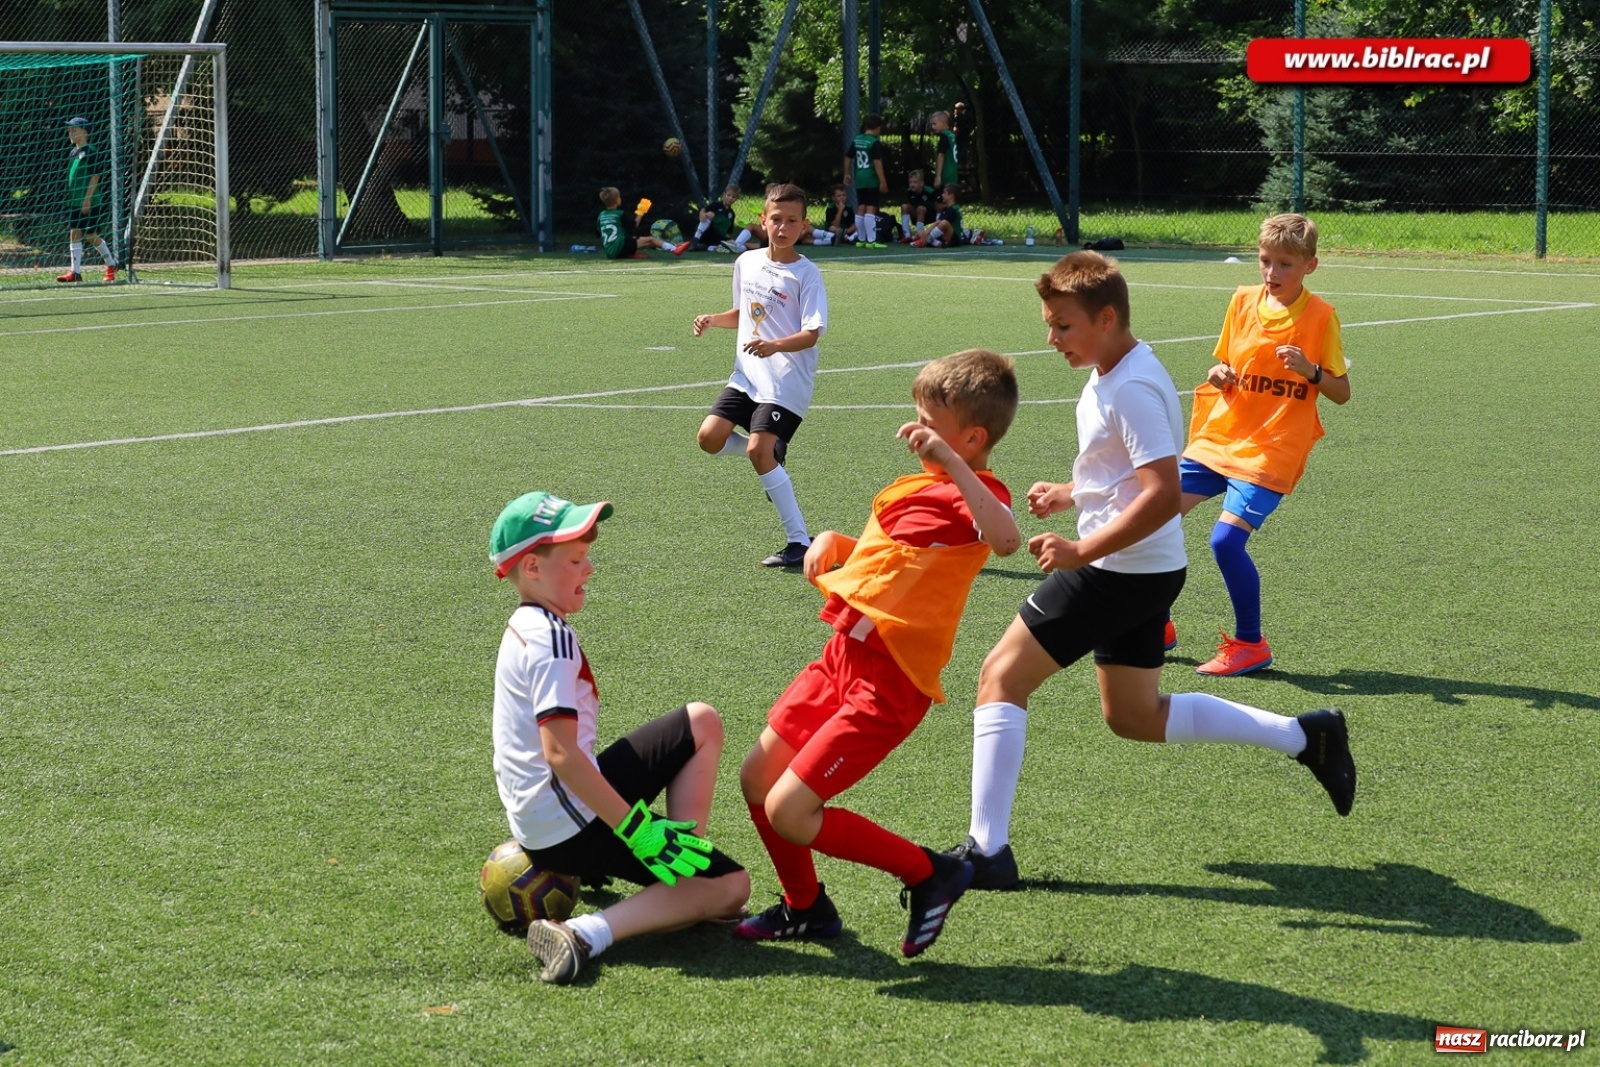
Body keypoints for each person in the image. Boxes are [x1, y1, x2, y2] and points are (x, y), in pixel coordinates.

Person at [945, 251, 1356, 892]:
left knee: (1000, 676)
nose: (1051, 339)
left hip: (1118, 569)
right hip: (1146, 569)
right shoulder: (1113, 369)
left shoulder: (1132, 385)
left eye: (1063, 326)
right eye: (1050, 324)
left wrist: (1081, 550)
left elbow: (1163, 494)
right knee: (1133, 716)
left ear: (1106, 318)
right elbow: (1126, 473)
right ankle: (1305, 736)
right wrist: (1072, 493)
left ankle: (987, 850)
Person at [734, 349, 1022, 957]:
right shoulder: (920, 485)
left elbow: (1005, 538)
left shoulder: (977, 492)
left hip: (889, 682)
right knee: (757, 777)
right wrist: (836, 543)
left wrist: (953, 464)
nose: (915, 431)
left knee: (790, 810)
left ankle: (931, 874)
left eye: (930, 424)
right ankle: (806, 908)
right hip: (840, 657)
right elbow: (891, 557)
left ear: (971, 439)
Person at [489, 491, 751, 984]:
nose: (589, 568)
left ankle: (677, 880)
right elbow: (560, 754)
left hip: (550, 810)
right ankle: (583, 934)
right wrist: (636, 830)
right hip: (567, 823)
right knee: (733, 887)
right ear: (533, 567)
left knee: (701, 722)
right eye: (575, 559)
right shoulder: (550, 638)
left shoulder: (528, 622)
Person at [1170, 212, 1352, 675]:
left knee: (1226, 541)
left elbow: (1341, 392)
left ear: (1310, 266)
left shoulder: (1321, 317)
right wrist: (1218, 373)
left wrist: (1311, 371)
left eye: (1285, 264)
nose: (1272, 272)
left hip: (1272, 449)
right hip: (1221, 437)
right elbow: (1223, 363)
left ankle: (1250, 643)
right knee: (1154, 516)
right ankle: (1157, 623)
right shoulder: (1241, 301)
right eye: (1266, 261)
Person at [692, 183, 828, 569]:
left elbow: (812, 333)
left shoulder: (806, 274)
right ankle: (773, 452)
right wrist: (712, 319)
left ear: (804, 226)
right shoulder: (746, 262)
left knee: (756, 450)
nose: (783, 228)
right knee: (709, 438)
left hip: (785, 381)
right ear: (762, 220)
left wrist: (774, 345)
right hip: (747, 374)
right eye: (776, 219)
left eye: (792, 221)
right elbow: (743, 313)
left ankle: (798, 541)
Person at [57, 117, 119, 284]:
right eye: (69, 130)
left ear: (85, 132)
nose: (70, 133)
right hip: (74, 201)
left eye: (74, 129)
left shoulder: (91, 151)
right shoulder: (73, 153)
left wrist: (87, 199)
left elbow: (95, 176)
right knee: (74, 233)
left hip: (90, 201)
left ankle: (111, 265)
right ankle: (75, 272)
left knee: (91, 236)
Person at [596, 187, 689, 259]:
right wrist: (641, 212)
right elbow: (635, 225)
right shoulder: (620, 214)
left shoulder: (601, 215)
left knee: (633, 239)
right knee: (650, 240)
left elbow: (598, 233)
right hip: (620, 247)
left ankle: (630, 254)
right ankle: (675, 249)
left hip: (609, 252)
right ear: (617, 200)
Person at [844, 113, 889, 247]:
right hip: (871, 178)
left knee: (861, 207)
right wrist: (882, 181)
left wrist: (847, 173)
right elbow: (877, 162)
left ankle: (861, 239)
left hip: (860, 178)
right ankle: (871, 241)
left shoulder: (857, 139)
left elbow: (848, 156)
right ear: (877, 127)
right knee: (871, 208)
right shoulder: (874, 142)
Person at [912, 183, 964, 248]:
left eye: (944, 193)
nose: (942, 195)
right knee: (920, 232)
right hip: (945, 237)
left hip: (955, 239)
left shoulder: (954, 209)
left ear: (951, 196)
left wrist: (927, 232)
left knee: (944, 223)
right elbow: (937, 224)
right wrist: (923, 233)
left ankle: (925, 240)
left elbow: (939, 222)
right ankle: (937, 243)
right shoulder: (946, 209)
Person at [693, 183, 741, 252]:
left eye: (733, 197)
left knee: (733, 244)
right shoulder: (716, 205)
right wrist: (703, 214)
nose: (730, 198)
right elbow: (703, 211)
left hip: (717, 237)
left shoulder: (731, 214)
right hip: (707, 233)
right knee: (710, 214)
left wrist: (729, 241)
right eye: (728, 195)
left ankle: (705, 247)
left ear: (737, 198)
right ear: (724, 194)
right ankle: (695, 241)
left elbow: (728, 233)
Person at [900, 169, 939, 244]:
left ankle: (919, 235)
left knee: (920, 208)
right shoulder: (909, 192)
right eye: (910, 182)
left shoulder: (930, 192)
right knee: (904, 206)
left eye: (915, 182)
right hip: (918, 214)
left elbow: (937, 207)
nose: (912, 184)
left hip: (931, 216)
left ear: (922, 183)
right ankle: (906, 235)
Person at [931, 110, 959, 194]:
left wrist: (938, 176)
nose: (933, 127)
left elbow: (941, 155)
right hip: (953, 174)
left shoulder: (944, 136)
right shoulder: (952, 135)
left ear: (943, 123)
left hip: (945, 174)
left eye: (935, 124)